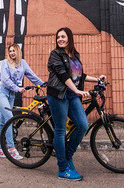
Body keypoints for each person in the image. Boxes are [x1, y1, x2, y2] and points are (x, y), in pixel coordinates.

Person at [47, 27, 105, 181]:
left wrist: (97, 79)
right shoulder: (55, 54)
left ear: (69, 38)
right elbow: (63, 75)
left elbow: (79, 75)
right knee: (60, 130)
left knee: (82, 125)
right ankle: (63, 169)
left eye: (63, 36)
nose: (60, 39)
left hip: (72, 95)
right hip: (58, 95)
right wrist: (77, 90)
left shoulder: (75, 55)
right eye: (58, 37)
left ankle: (67, 156)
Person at [0, 43, 44, 158]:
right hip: (1, 92)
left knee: (2, 122)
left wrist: (43, 84)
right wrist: (17, 88)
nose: (12, 53)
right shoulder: (5, 63)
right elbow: (5, 80)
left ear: (18, 51)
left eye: (14, 51)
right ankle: (11, 149)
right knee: (9, 118)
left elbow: (32, 75)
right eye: (10, 51)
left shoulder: (23, 63)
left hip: (11, 95)